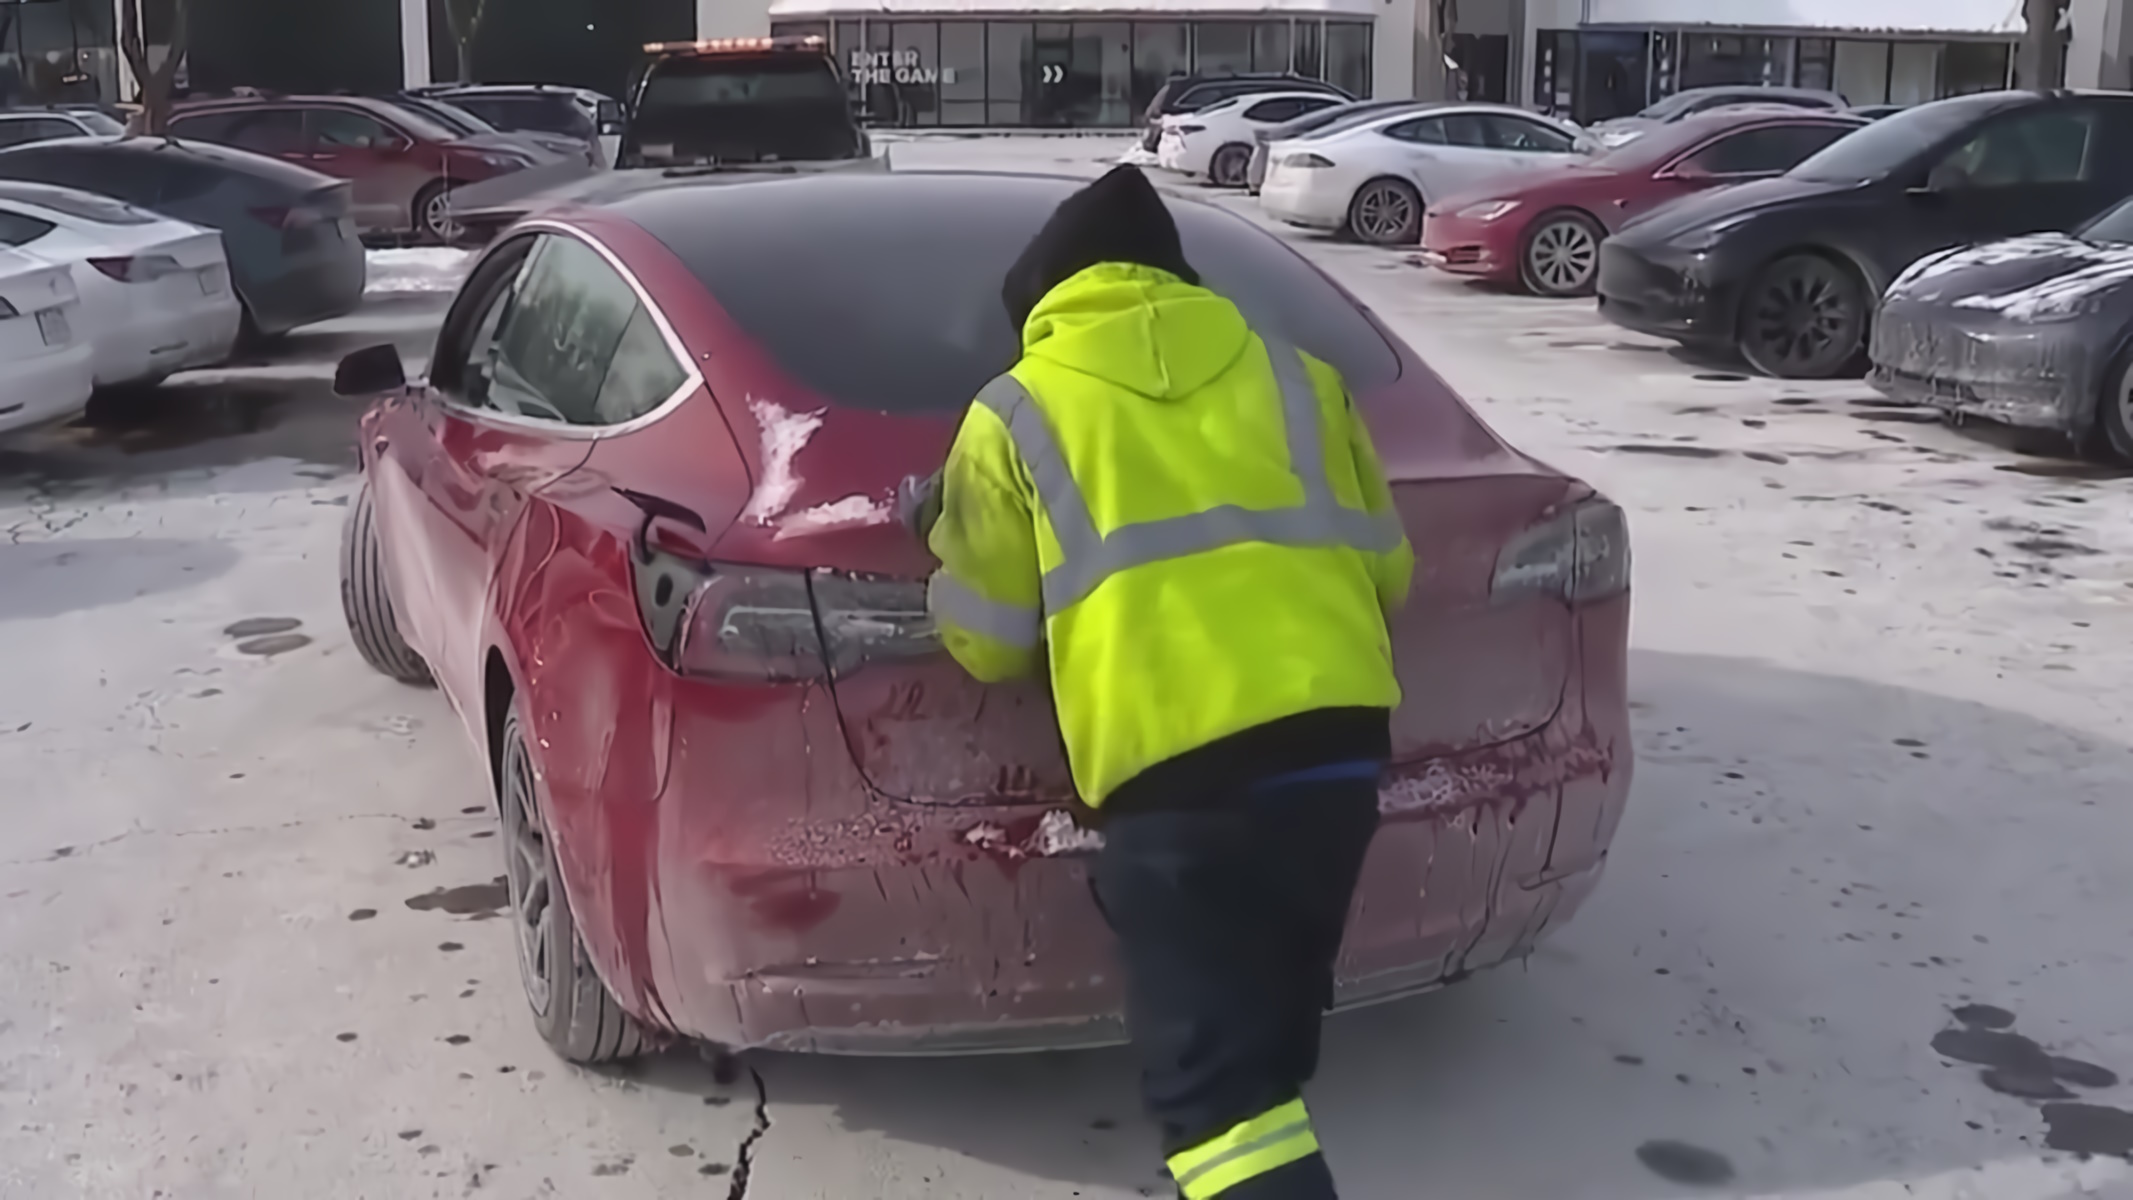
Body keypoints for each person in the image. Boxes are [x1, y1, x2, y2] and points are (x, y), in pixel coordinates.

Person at [901, 165, 1413, 1199]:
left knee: (1217, 1108)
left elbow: (994, 641)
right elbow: (1389, 574)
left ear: (1044, 306)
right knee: (1263, 1041)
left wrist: (941, 545)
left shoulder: (1016, 411)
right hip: (1335, 756)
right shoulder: (1297, 374)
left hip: (1182, 787)